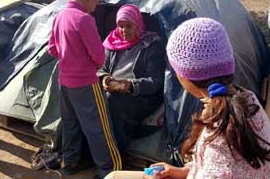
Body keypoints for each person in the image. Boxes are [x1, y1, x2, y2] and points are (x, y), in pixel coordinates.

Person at [105, 17, 270, 179]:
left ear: (184, 75)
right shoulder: (248, 100)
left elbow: (219, 164)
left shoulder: (219, 138)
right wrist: (182, 171)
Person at [48, 0, 121, 179]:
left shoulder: (60, 16)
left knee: (70, 123)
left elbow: (52, 49)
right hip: (86, 83)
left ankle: (69, 163)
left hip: (65, 82)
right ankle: (110, 169)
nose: (95, 8)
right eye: (96, 2)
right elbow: (98, 56)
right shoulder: (84, 19)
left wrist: (69, 58)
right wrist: (91, 66)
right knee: (99, 127)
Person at [98, 4, 165, 153]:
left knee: (112, 101)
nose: (124, 31)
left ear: (138, 25)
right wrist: (105, 78)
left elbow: (156, 81)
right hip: (114, 89)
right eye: (120, 26)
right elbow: (100, 68)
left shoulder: (151, 45)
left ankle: (115, 154)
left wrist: (130, 85)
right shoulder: (112, 43)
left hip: (142, 96)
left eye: (129, 26)